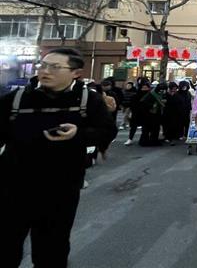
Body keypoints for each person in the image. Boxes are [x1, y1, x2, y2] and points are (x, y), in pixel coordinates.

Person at [0, 48, 116, 267]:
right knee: (5, 246)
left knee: (52, 250)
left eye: (55, 67)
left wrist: (80, 134)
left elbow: (107, 130)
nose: (46, 71)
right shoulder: (16, 99)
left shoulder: (88, 101)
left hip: (60, 189)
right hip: (12, 187)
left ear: (76, 73)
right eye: (42, 65)